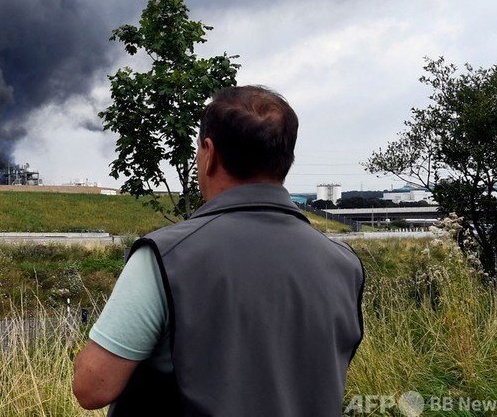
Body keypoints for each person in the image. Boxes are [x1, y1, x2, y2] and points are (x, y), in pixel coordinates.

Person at [73, 85, 364, 416]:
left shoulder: (165, 257)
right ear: (285, 160)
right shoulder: (344, 265)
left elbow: (92, 387)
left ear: (209, 153)